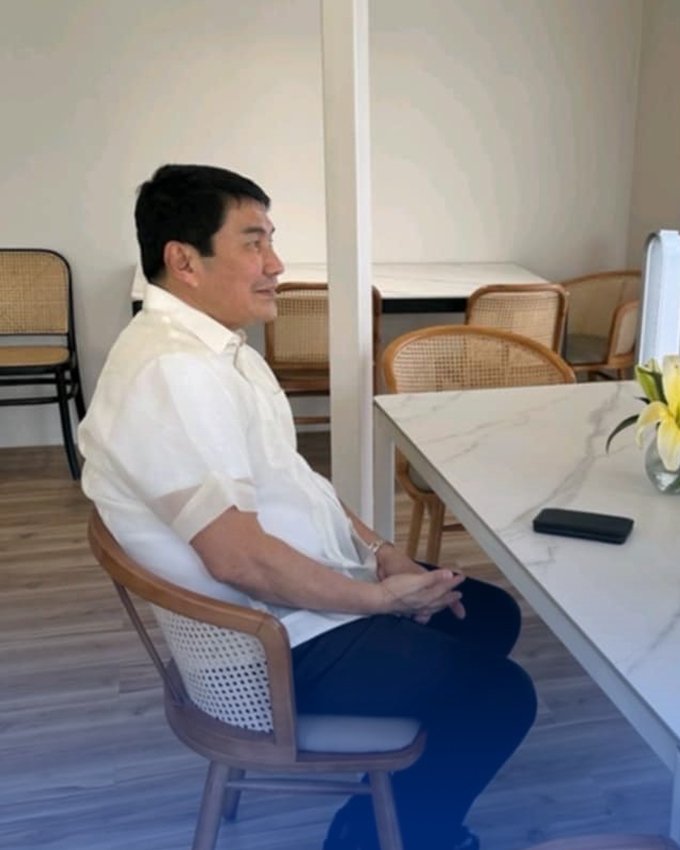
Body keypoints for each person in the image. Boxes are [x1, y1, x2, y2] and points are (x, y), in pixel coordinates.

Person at [78, 164, 537, 850]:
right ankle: (370, 835)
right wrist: (378, 601)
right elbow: (240, 560)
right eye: (253, 243)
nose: (276, 264)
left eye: (271, 241)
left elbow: (298, 483)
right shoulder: (172, 373)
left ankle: (395, 805)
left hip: (295, 608)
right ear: (184, 261)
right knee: (502, 696)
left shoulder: (215, 349)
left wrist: (382, 555)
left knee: (488, 612)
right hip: (267, 649)